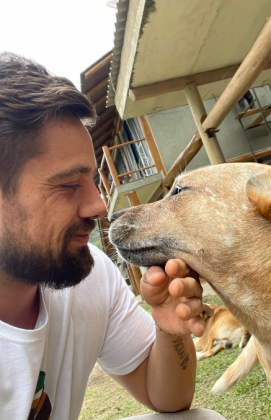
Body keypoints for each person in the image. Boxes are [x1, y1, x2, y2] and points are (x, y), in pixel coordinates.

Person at [0, 53, 226, 420]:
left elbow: (167, 399)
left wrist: (169, 331)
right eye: (69, 185)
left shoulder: (90, 277)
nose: (98, 206)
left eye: (91, 180)